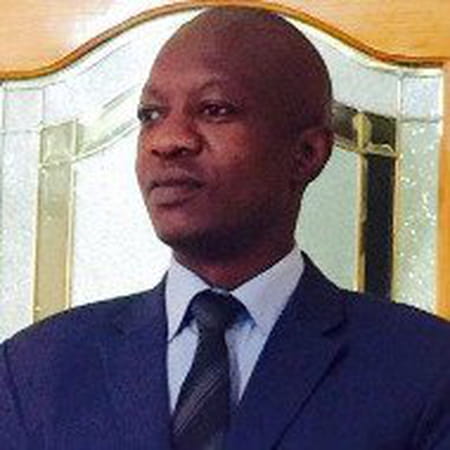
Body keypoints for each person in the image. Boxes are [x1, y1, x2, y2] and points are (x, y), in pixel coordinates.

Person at [1, 7, 450, 450]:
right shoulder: (35, 369)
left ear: (307, 154)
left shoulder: (424, 368)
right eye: (151, 115)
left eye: (214, 110)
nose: (168, 140)